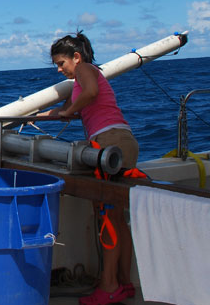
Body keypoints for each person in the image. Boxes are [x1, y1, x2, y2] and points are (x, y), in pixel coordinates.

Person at [40, 32, 138, 305]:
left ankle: (108, 287)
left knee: (107, 216)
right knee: (117, 217)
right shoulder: (80, 82)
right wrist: (23, 118)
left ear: (77, 57)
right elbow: (64, 110)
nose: (60, 69)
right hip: (120, 140)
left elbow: (88, 97)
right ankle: (123, 283)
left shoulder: (85, 70)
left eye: (61, 63)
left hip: (110, 141)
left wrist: (70, 112)